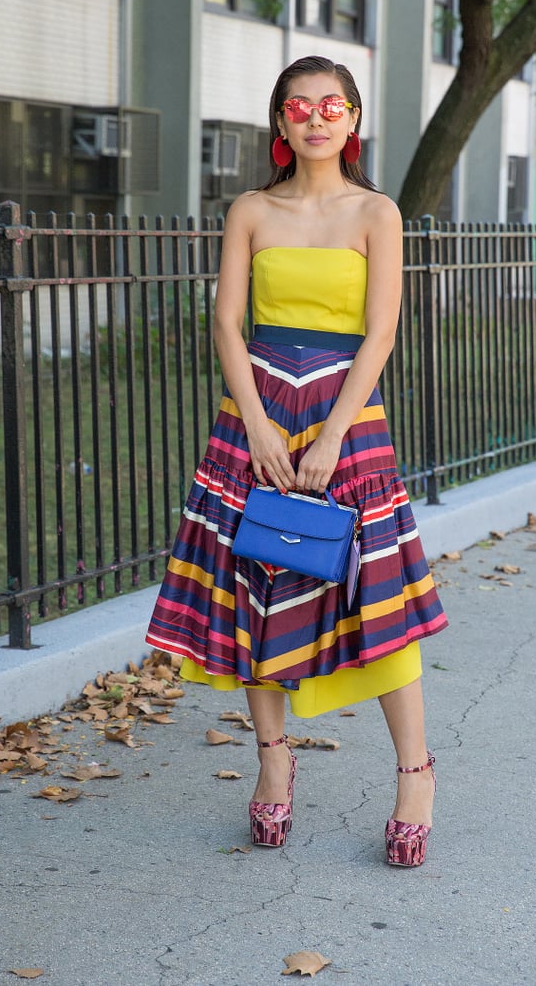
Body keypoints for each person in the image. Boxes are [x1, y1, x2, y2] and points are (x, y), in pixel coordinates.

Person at [146, 55, 448, 866]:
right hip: (257, 419)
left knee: (377, 600)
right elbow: (225, 325)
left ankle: (415, 775)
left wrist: (337, 432)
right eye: (299, 106)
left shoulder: (377, 212)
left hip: (347, 419)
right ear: (279, 124)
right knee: (252, 588)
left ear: (353, 121)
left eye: (332, 105)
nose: (316, 117)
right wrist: (257, 428)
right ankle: (274, 768)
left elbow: (380, 333)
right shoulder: (249, 209)